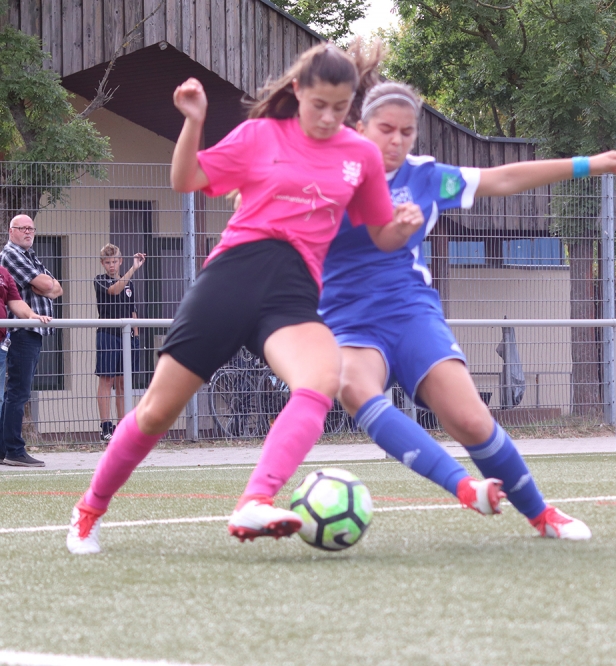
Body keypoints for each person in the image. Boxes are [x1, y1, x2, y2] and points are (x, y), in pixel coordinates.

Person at [67, 41, 426, 555]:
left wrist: (402, 228)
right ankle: (88, 510)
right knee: (155, 414)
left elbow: (379, 234)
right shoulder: (262, 134)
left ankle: (255, 500)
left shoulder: (361, 154)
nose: (329, 117)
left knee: (320, 380)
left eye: (341, 107)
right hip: (232, 277)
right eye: (318, 105)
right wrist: (194, 121)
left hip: (294, 290)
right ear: (297, 91)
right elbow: (185, 179)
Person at [319, 76, 616, 540]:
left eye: (406, 132)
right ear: (361, 128)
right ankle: (464, 487)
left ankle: (541, 514)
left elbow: (503, 179)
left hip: (410, 314)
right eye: (385, 129)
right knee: (355, 388)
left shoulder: (425, 177)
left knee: (471, 420)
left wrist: (587, 164)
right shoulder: (327, 173)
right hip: (348, 320)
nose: (396, 140)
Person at [0, 215, 62, 468]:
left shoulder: (30, 255)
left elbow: (57, 288)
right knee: (18, 391)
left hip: (32, 329)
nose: (28, 232)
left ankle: (5, 449)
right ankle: (14, 450)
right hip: (21, 330)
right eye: (22, 228)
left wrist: (45, 286)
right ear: (11, 231)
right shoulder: (11, 255)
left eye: (31, 229)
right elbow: (46, 283)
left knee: (16, 392)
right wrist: (44, 285)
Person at [94, 244, 145, 442]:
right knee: (107, 380)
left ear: (120, 261)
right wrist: (133, 268)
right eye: (108, 262)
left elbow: (132, 311)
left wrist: (136, 337)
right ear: (102, 263)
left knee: (123, 382)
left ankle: (123, 427)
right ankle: (105, 427)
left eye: (114, 261)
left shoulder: (129, 284)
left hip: (127, 337)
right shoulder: (100, 280)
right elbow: (114, 290)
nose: (111, 265)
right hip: (108, 334)